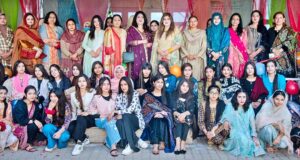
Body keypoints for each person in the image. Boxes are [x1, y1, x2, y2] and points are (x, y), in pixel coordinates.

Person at [220, 89, 264, 157]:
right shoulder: (230, 106)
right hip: (234, 130)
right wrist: (226, 121)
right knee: (244, 140)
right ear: (236, 97)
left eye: (244, 97)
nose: (242, 99)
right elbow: (225, 117)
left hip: (246, 131)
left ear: (246, 98)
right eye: (239, 97)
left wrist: (254, 135)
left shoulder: (249, 107)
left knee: (253, 143)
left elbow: (252, 121)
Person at [142, 75, 174, 154]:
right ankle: (156, 144)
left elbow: (170, 109)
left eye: (161, 82)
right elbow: (144, 110)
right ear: (153, 83)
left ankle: (162, 142)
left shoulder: (166, 94)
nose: (160, 84)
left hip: (165, 116)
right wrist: (154, 113)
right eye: (158, 82)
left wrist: (164, 113)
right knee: (156, 119)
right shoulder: (148, 95)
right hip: (152, 118)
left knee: (162, 119)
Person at [89, 77, 121, 157]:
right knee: (109, 123)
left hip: (112, 119)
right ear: (100, 86)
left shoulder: (114, 96)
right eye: (103, 84)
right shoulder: (96, 97)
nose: (106, 86)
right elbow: (91, 109)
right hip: (100, 120)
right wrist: (100, 114)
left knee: (111, 122)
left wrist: (114, 113)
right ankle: (113, 147)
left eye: (108, 84)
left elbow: (119, 108)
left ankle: (108, 141)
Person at [115, 77, 146, 155]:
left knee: (125, 116)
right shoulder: (119, 96)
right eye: (121, 85)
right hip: (125, 120)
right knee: (119, 122)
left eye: (125, 84)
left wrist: (118, 112)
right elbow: (117, 108)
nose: (123, 87)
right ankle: (136, 140)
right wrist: (118, 113)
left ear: (129, 85)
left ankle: (131, 146)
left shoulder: (135, 93)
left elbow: (130, 110)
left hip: (136, 120)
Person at [68, 74, 96, 156]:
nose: (82, 83)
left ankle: (79, 143)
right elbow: (73, 110)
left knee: (81, 116)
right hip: (80, 117)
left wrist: (87, 113)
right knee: (71, 127)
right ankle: (85, 138)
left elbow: (96, 108)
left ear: (87, 82)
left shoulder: (92, 92)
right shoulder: (73, 95)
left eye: (84, 81)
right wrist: (73, 120)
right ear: (77, 83)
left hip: (91, 116)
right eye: (79, 81)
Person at [12, 86, 45, 152]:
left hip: (30, 124)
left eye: (34, 93)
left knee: (43, 133)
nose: (32, 96)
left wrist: (40, 125)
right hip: (19, 125)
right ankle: (27, 144)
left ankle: (32, 139)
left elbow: (38, 117)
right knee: (33, 126)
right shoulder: (20, 104)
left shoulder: (35, 104)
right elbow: (21, 121)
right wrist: (34, 121)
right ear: (25, 94)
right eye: (29, 94)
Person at [266, 11, 297, 77]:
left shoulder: (289, 30)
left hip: (285, 58)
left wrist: (280, 50)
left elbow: (291, 41)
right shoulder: (270, 31)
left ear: (284, 19)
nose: (278, 19)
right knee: (274, 78)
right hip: (272, 56)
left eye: (280, 18)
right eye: (276, 18)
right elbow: (266, 43)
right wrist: (273, 50)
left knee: (285, 79)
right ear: (274, 20)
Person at [126, 11, 152, 80]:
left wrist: (150, 44)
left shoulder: (147, 30)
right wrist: (142, 41)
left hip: (146, 56)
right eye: (138, 17)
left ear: (144, 19)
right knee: (135, 73)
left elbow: (151, 42)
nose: (140, 18)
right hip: (135, 56)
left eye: (142, 17)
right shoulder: (131, 29)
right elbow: (129, 42)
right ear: (135, 19)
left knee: (146, 73)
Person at [172, 79, 196, 155]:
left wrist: (183, 115)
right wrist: (179, 115)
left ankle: (183, 143)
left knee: (188, 118)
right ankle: (178, 143)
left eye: (187, 86)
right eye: (183, 85)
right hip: (176, 115)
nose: (185, 88)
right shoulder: (174, 94)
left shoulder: (191, 96)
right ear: (180, 86)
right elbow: (172, 109)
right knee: (177, 119)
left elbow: (191, 110)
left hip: (186, 116)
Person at [181, 16, 207, 81]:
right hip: (187, 58)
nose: (193, 23)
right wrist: (187, 55)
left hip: (198, 58)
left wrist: (197, 55)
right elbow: (182, 45)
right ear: (189, 23)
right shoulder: (185, 33)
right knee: (186, 77)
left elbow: (204, 46)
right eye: (191, 21)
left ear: (197, 22)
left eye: (194, 21)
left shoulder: (202, 32)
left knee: (197, 77)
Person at [206, 12, 230, 78]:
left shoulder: (225, 30)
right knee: (211, 73)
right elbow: (206, 43)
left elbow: (226, 44)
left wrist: (218, 53)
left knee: (222, 72)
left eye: (218, 18)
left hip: (222, 55)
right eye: (214, 18)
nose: (216, 20)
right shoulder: (208, 30)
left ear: (221, 20)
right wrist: (213, 53)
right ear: (212, 20)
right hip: (211, 56)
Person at [228, 13, 249, 79]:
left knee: (240, 74)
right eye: (233, 19)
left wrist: (241, 55)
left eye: (237, 19)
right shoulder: (227, 31)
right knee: (230, 71)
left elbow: (245, 45)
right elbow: (230, 43)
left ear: (239, 21)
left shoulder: (243, 31)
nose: (235, 21)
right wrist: (239, 54)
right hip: (230, 54)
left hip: (242, 55)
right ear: (231, 20)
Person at [0, 86, 18, 152]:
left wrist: (4, 122)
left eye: (5, 93)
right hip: (2, 122)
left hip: (5, 123)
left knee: (7, 129)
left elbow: (8, 117)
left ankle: (2, 145)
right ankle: (2, 146)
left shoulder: (7, 104)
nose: (3, 95)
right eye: (1, 93)